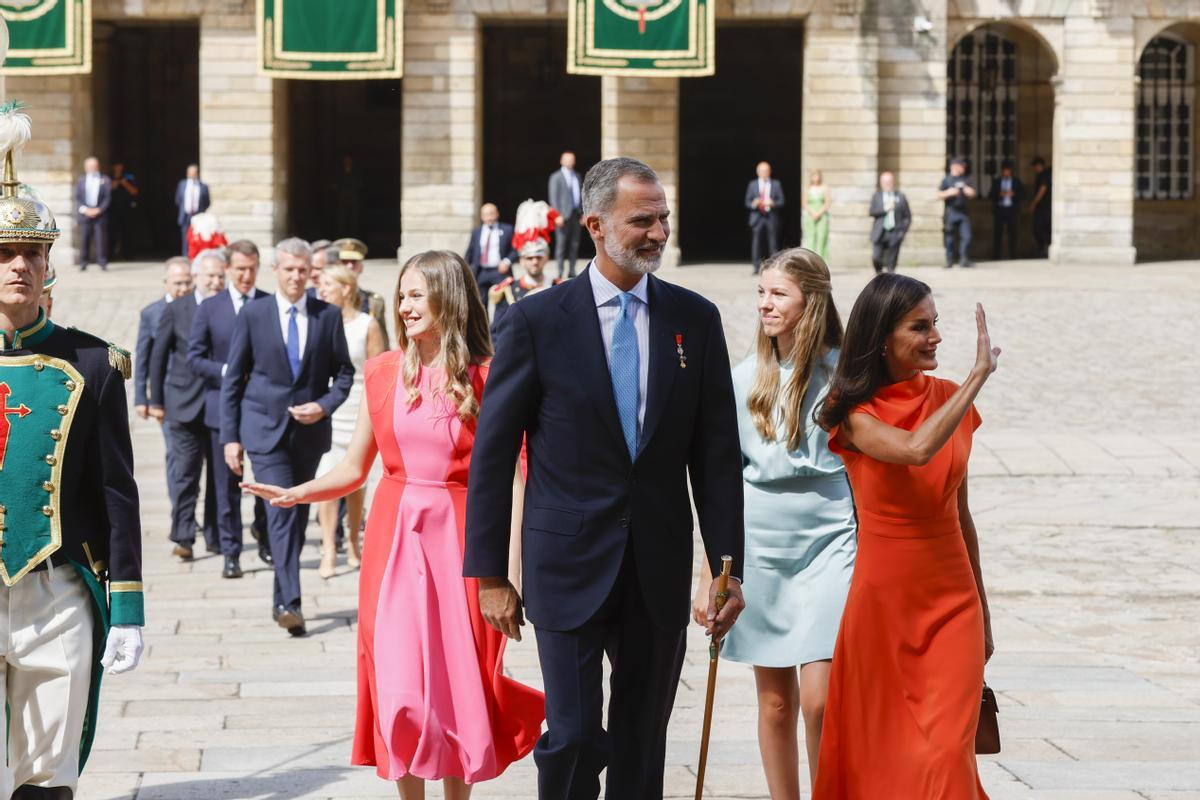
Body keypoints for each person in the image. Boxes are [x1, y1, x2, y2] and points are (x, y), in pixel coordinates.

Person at [464, 157, 746, 800]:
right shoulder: (536, 321)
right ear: (594, 224)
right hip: (565, 563)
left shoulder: (694, 320)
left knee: (642, 738)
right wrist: (489, 574)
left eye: (663, 219)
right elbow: (493, 453)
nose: (657, 233)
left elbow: (717, 454)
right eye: (641, 220)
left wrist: (727, 567)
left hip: (657, 565)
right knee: (571, 735)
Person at [243, 251, 544, 797]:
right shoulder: (383, 371)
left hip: (462, 543)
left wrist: (510, 577)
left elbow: (518, 480)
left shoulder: (487, 376)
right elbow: (356, 467)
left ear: (447, 298)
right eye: (400, 295)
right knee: (399, 686)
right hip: (393, 543)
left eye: (415, 295)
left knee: (457, 688)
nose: (404, 307)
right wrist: (296, 492)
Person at [0, 103, 144, 798]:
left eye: (31, 253)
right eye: (3, 253)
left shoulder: (91, 361)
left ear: (50, 263)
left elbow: (118, 491)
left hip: (55, 588)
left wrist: (132, 606)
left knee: (47, 771)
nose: (18, 266)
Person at [813, 273, 999, 798]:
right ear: (882, 337)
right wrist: (975, 379)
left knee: (946, 754)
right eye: (921, 327)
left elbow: (961, 513)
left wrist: (982, 609)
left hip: (952, 598)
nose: (935, 336)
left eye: (935, 323)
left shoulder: (947, 397)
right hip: (884, 606)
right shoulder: (852, 413)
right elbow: (914, 449)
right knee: (884, 756)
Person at [692, 247, 856, 795]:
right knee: (777, 701)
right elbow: (721, 476)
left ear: (811, 301)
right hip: (762, 543)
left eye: (778, 293)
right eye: (761, 292)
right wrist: (714, 569)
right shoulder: (745, 378)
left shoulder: (848, 375)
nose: (765, 304)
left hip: (832, 536)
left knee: (820, 697)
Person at [220, 238, 354, 636]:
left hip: (308, 435)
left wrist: (325, 405)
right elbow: (234, 380)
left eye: (303, 271)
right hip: (263, 429)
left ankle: (283, 595)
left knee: (296, 516)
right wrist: (231, 437)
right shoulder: (254, 314)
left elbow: (344, 373)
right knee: (281, 510)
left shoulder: (327, 315)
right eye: (289, 270)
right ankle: (290, 602)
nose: (296, 277)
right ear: (275, 271)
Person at [188, 240, 273, 576]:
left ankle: (266, 538)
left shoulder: (268, 303)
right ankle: (231, 551)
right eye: (240, 269)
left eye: (252, 269)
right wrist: (228, 371)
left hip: (264, 409)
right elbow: (195, 358)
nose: (246, 275)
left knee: (267, 477)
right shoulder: (210, 308)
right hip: (221, 408)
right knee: (225, 484)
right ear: (227, 268)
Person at [150, 250, 227, 563]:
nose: (215, 281)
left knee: (218, 477)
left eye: (221, 276)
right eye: (210, 276)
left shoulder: (229, 309)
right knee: (185, 474)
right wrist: (155, 400)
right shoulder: (178, 308)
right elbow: (159, 355)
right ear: (196, 278)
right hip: (183, 403)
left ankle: (215, 534)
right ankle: (183, 535)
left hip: (219, 404)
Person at [313, 264, 386, 578]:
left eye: (328, 284)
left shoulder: (367, 324)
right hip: (328, 409)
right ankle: (329, 547)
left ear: (346, 288)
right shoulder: (317, 322)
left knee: (357, 481)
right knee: (328, 477)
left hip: (359, 407)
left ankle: (353, 541)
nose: (321, 290)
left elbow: (379, 372)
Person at [135, 258, 193, 556]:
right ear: (166, 283)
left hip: (193, 394)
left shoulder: (199, 308)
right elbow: (143, 357)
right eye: (178, 283)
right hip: (167, 397)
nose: (183, 288)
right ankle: (181, 513)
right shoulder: (152, 312)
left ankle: (188, 516)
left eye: (187, 282)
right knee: (176, 458)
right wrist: (143, 399)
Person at [488, 239, 560, 333]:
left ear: (546, 258)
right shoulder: (509, 290)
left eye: (539, 257)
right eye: (530, 258)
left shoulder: (557, 287)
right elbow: (498, 331)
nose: (535, 262)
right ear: (521, 260)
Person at [333, 237, 390, 344]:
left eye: (354, 262)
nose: (350, 266)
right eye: (344, 262)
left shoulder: (374, 302)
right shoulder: (324, 297)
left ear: (361, 267)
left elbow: (382, 343)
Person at [464, 203, 516, 304]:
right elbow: (470, 252)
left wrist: (507, 262)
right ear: (482, 216)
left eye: (492, 214)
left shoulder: (507, 230)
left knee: (503, 302)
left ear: (497, 214)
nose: (489, 218)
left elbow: (515, 249)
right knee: (480, 302)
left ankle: (500, 320)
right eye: (486, 215)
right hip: (481, 272)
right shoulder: (477, 232)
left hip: (500, 272)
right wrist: (464, 268)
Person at [548, 151, 584, 278]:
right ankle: (559, 271)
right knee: (561, 245)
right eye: (567, 160)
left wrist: (583, 214)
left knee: (574, 244)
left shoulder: (577, 175)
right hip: (562, 216)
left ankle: (572, 270)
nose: (570, 162)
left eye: (572, 159)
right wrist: (556, 215)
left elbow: (580, 196)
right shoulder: (556, 177)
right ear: (562, 161)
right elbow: (553, 198)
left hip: (576, 214)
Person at [746, 160, 786, 274]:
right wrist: (754, 203)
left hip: (771, 216)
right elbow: (747, 202)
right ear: (757, 172)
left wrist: (773, 203)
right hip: (757, 218)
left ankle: (774, 267)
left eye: (766, 171)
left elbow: (782, 201)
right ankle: (756, 267)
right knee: (756, 243)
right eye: (762, 171)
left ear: (770, 172)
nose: (764, 173)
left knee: (773, 244)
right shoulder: (752, 184)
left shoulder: (776, 184)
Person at [868, 171, 911, 273]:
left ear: (893, 182)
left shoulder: (900, 196)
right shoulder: (877, 196)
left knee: (891, 262)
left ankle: (890, 281)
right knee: (876, 257)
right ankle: (879, 274)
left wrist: (902, 232)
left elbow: (908, 217)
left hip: (895, 232)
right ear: (881, 183)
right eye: (885, 182)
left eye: (889, 181)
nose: (887, 184)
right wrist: (885, 209)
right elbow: (871, 211)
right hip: (880, 232)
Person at [938, 157, 977, 268]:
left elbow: (973, 193)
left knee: (967, 237)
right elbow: (938, 194)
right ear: (955, 166)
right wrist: (949, 192)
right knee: (949, 238)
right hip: (951, 212)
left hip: (963, 213)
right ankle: (949, 261)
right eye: (961, 166)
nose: (964, 168)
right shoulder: (947, 180)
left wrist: (966, 189)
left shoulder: (966, 179)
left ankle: (964, 259)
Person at [74, 156, 111, 271]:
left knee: (100, 239)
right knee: (85, 239)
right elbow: (78, 197)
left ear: (98, 166)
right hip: (86, 213)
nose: (92, 168)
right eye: (89, 166)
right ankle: (83, 262)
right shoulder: (81, 180)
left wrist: (99, 209)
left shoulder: (105, 179)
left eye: (94, 166)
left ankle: (102, 262)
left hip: (99, 213)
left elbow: (107, 198)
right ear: (86, 167)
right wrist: (85, 210)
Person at [989, 161, 1025, 260]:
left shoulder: (1016, 181)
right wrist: (999, 194)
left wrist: (1014, 194)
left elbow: (1023, 194)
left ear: (1011, 171)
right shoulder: (997, 181)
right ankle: (996, 256)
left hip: (1012, 210)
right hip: (1000, 210)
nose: (1006, 173)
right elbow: (991, 194)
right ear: (1002, 171)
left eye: (1008, 171)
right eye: (1004, 171)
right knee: (997, 233)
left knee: (1013, 233)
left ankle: (1013, 255)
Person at [174, 163, 211, 256]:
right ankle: (186, 256)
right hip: (185, 215)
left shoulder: (203, 186)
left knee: (198, 237)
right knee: (185, 238)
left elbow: (207, 202)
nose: (192, 175)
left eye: (193, 173)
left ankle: (197, 256)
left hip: (198, 216)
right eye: (190, 173)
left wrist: (200, 211)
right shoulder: (182, 184)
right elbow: (178, 200)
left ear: (197, 173)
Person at [109, 161, 139, 260]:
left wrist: (124, 182)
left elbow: (134, 191)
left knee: (127, 232)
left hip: (127, 209)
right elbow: (108, 189)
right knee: (112, 232)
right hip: (113, 209)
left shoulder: (129, 177)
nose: (118, 167)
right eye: (116, 165)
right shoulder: (109, 177)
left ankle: (128, 254)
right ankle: (111, 255)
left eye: (119, 165)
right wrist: (116, 182)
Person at [801, 169, 831, 262]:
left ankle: (821, 261)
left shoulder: (824, 188)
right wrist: (812, 213)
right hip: (810, 215)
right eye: (814, 176)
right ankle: (810, 261)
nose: (815, 178)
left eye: (817, 175)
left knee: (822, 238)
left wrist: (819, 213)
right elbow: (804, 203)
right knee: (810, 238)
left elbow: (827, 202)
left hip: (822, 215)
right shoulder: (808, 188)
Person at [1028, 156, 1052, 258]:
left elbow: (1042, 189)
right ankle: (1044, 249)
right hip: (1046, 207)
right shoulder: (1047, 174)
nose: (1034, 169)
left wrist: (1033, 204)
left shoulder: (1042, 175)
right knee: (1044, 228)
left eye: (1035, 166)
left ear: (1039, 165)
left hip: (1043, 208)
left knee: (1038, 228)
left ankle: (1044, 249)